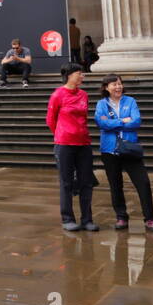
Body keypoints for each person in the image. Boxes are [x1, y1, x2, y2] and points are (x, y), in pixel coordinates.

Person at [95, 74, 153, 232]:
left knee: (143, 183)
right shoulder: (101, 104)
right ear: (106, 88)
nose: (118, 87)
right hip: (109, 150)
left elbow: (136, 121)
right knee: (115, 185)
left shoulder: (130, 101)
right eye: (114, 84)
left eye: (119, 84)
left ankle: (150, 219)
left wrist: (114, 124)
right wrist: (122, 121)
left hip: (130, 148)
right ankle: (121, 217)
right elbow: (101, 123)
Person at [46, 63, 97, 232]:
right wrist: (62, 134)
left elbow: (85, 116)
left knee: (86, 182)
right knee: (66, 183)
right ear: (69, 75)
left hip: (84, 143)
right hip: (65, 144)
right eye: (80, 74)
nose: (82, 77)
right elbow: (50, 120)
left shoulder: (83, 95)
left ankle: (87, 219)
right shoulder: (57, 95)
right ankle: (67, 218)